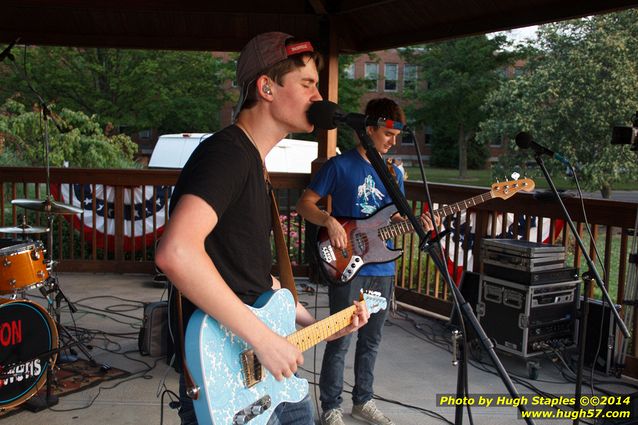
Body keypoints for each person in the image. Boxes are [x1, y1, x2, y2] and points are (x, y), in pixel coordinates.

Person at [155, 32, 369, 425]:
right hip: (230, 375)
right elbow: (176, 252)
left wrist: (315, 323)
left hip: (262, 374)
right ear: (266, 87)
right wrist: (264, 338)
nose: (319, 98)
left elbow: (250, 274)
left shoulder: (252, 161)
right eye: (307, 84)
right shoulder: (228, 154)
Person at [296, 98, 436, 425]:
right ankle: (331, 406)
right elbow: (306, 204)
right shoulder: (339, 166)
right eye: (387, 133)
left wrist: (420, 223)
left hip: (382, 267)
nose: (392, 141)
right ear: (368, 129)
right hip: (348, 265)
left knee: (371, 338)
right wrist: (328, 221)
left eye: (395, 135)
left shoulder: (392, 173)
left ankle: (363, 400)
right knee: (341, 335)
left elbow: (396, 215)